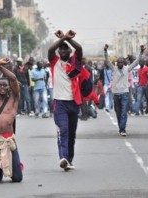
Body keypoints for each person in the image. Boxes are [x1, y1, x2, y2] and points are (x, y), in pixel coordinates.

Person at [48, 29, 83, 171]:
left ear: (69, 51)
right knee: (63, 130)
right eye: (60, 49)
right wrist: (62, 39)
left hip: (74, 102)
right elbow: (51, 49)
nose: (62, 51)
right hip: (59, 103)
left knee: (72, 134)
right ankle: (63, 158)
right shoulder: (54, 61)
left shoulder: (75, 62)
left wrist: (67, 38)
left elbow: (79, 48)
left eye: (65, 49)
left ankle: (69, 159)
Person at [104, 44, 145, 136]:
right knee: (118, 112)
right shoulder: (113, 69)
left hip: (124, 94)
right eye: (118, 62)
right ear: (116, 63)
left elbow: (136, 62)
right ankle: (121, 127)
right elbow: (107, 60)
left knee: (124, 112)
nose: (120, 64)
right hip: (116, 94)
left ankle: (123, 129)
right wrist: (105, 50)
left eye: (122, 62)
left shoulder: (127, 69)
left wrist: (141, 52)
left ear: (124, 63)